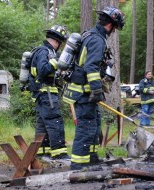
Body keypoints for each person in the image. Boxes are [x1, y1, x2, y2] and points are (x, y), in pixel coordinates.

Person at [63, 6, 125, 170]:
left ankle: (91, 158)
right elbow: (91, 67)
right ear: (111, 25)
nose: (115, 31)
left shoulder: (90, 35)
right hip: (85, 93)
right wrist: (97, 90)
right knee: (86, 128)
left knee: (95, 125)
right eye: (116, 28)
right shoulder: (97, 39)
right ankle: (79, 165)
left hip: (85, 92)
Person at [30, 25, 69, 159]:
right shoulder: (45, 51)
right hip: (46, 94)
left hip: (42, 94)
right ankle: (59, 153)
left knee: (42, 125)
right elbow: (43, 70)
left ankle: (42, 153)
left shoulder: (43, 51)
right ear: (57, 41)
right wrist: (56, 62)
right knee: (54, 121)